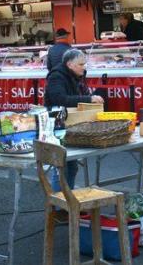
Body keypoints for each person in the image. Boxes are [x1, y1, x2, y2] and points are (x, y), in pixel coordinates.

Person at [44, 49, 103, 222]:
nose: (84, 68)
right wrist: (88, 99)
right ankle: (59, 208)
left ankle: (66, 204)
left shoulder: (74, 76)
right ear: (69, 64)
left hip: (69, 123)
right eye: (81, 64)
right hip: (58, 124)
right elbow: (59, 99)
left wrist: (88, 97)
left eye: (84, 64)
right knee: (62, 166)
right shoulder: (57, 77)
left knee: (71, 165)